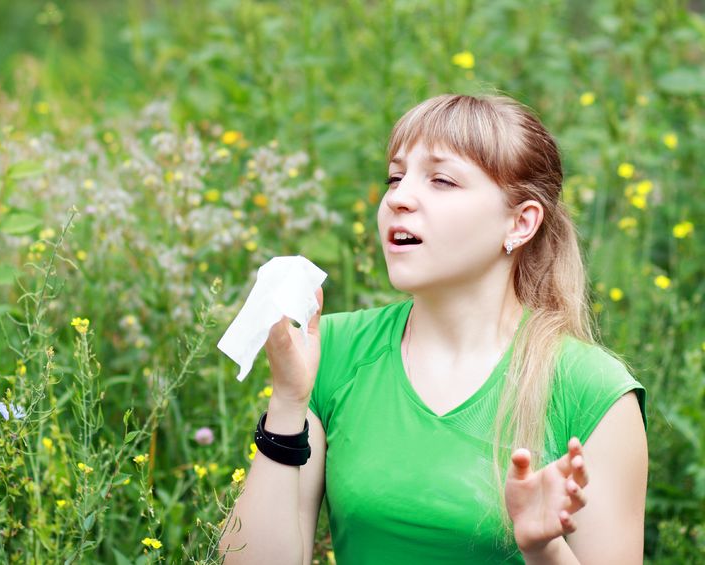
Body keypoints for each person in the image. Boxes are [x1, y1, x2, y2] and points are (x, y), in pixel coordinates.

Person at [217, 93, 648, 564]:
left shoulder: (594, 392)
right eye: (395, 178)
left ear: (521, 223)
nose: (399, 198)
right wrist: (287, 403)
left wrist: (543, 548)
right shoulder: (334, 351)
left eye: (441, 180)